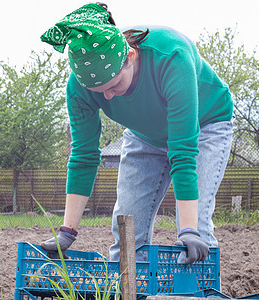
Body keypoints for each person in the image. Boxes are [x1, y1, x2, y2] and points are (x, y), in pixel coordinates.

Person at [39, 2, 234, 264]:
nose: (108, 96)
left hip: (206, 126)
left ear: (130, 56)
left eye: (115, 84)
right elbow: (83, 156)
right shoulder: (81, 86)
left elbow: (183, 151)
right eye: (100, 91)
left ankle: (202, 291)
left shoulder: (171, 56)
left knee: (195, 229)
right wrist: (67, 231)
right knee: (126, 229)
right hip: (144, 134)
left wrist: (188, 231)